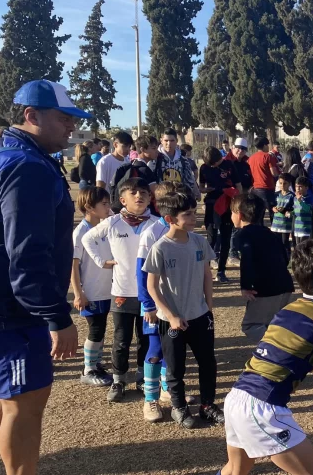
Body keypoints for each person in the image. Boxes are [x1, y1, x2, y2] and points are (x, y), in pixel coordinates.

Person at [0, 79, 81, 475]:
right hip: (8, 311)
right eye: (64, 117)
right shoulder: (24, 167)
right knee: (26, 400)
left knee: (10, 392)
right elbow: (28, 254)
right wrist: (56, 316)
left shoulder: (4, 154)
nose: (72, 127)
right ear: (31, 116)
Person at [219, 240, 313, 475]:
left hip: (236, 396)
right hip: (263, 406)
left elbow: (301, 348)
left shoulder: (289, 309)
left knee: (236, 470)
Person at [143, 191, 224, 429]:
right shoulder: (160, 248)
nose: (194, 218)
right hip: (173, 321)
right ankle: (179, 406)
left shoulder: (199, 241)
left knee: (208, 362)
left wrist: (208, 307)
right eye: (187, 214)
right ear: (170, 219)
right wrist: (171, 316)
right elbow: (151, 285)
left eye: (195, 212)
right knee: (175, 367)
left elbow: (207, 275)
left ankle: (208, 405)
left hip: (200, 316)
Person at [83, 178, 158, 404]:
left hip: (149, 295)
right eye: (133, 192)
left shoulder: (156, 223)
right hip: (122, 292)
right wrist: (101, 261)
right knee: (121, 339)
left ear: (150, 198)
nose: (139, 196)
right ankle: (118, 380)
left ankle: (143, 378)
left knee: (145, 339)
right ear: (122, 199)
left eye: (144, 192)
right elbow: (88, 238)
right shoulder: (113, 222)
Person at [136, 182, 197, 423]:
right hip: (155, 306)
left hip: (178, 306)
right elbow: (142, 272)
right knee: (154, 351)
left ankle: (167, 391)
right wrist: (148, 305)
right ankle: (149, 399)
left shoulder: (188, 233)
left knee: (171, 352)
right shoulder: (151, 232)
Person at [231, 193, 295, 342]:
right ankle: (285, 349)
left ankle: (280, 350)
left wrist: (245, 286)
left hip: (266, 289)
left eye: (232, 213)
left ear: (239, 215)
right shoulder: (271, 233)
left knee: (251, 325)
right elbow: (285, 257)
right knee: (276, 324)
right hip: (285, 285)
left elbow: (246, 260)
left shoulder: (243, 235)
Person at [71, 187, 113, 387]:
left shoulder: (104, 227)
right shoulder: (81, 232)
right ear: (89, 207)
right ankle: (88, 369)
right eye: (104, 204)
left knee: (102, 328)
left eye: (108, 203)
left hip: (106, 290)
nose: (108, 207)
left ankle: (96, 363)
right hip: (91, 292)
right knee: (95, 329)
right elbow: (73, 264)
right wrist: (78, 293)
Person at [199, 146, 240, 284]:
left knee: (226, 237)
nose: (212, 166)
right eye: (210, 164)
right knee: (211, 238)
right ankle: (205, 271)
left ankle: (221, 271)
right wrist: (206, 189)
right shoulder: (204, 168)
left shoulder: (229, 165)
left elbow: (238, 185)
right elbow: (201, 187)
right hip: (211, 205)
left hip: (227, 205)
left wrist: (237, 201)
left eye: (214, 163)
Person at [156, 128, 200, 200]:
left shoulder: (183, 159)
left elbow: (190, 177)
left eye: (172, 140)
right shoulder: (156, 158)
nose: (169, 143)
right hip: (161, 199)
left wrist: (196, 191)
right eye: (166, 140)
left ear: (176, 141)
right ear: (161, 141)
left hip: (179, 199)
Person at [248, 136, 281, 225]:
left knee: (259, 215)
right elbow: (274, 173)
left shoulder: (251, 158)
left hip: (255, 189)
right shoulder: (268, 157)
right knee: (273, 213)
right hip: (267, 188)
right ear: (264, 145)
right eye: (267, 145)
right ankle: (276, 234)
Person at [271, 173, 295, 258]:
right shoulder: (276, 194)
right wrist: (273, 208)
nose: (282, 185)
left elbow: (294, 210)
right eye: (280, 183)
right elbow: (272, 205)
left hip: (285, 224)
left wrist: (285, 210)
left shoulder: (292, 196)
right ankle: (278, 259)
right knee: (276, 243)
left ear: (289, 184)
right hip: (275, 223)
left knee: (285, 243)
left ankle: (286, 259)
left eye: (285, 183)